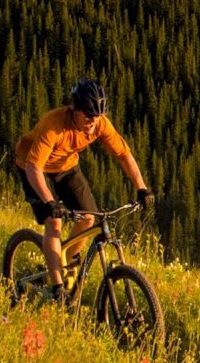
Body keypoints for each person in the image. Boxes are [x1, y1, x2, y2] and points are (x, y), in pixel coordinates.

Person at [10, 78, 152, 297]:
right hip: (31, 166)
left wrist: (142, 188)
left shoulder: (99, 123)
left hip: (66, 167)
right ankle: (57, 288)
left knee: (88, 218)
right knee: (54, 222)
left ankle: (62, 260)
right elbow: (33, 168)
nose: (93, 122)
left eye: (97, 116)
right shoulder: (53, 125)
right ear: (74, 109)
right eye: (88, 116)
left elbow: (123, 155)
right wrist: (50, 202)